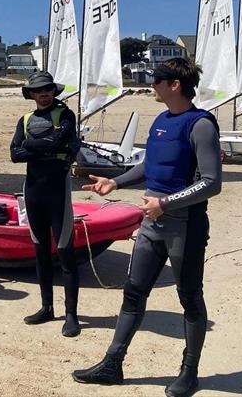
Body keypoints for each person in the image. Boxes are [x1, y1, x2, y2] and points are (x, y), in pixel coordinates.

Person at [71, 58, 222, 397]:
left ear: (175, 85)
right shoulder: (161, 121)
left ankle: (189, 372)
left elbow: (212, 182)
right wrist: (115, 182)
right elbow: (148, 166)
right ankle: (113, 364)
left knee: (190, 298)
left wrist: (166, 203)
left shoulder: (200, 125)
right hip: (152, 223)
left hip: (185, 226)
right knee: (133, 292)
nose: (151, 85)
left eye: (157, 80)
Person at [10, 71, 82, 337]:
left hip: (57, 190)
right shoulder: (26, 119)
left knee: (65, 252)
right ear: (30, 94)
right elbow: (14, 154)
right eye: (38, 90)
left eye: (48, 89)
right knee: (40, 251)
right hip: (33, 190)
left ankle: (71, 315)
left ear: (54, 91)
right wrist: (45, 146)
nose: (44, 94)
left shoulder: (65, 115)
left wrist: (32, 145)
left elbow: (60, 140)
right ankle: (46, 307)